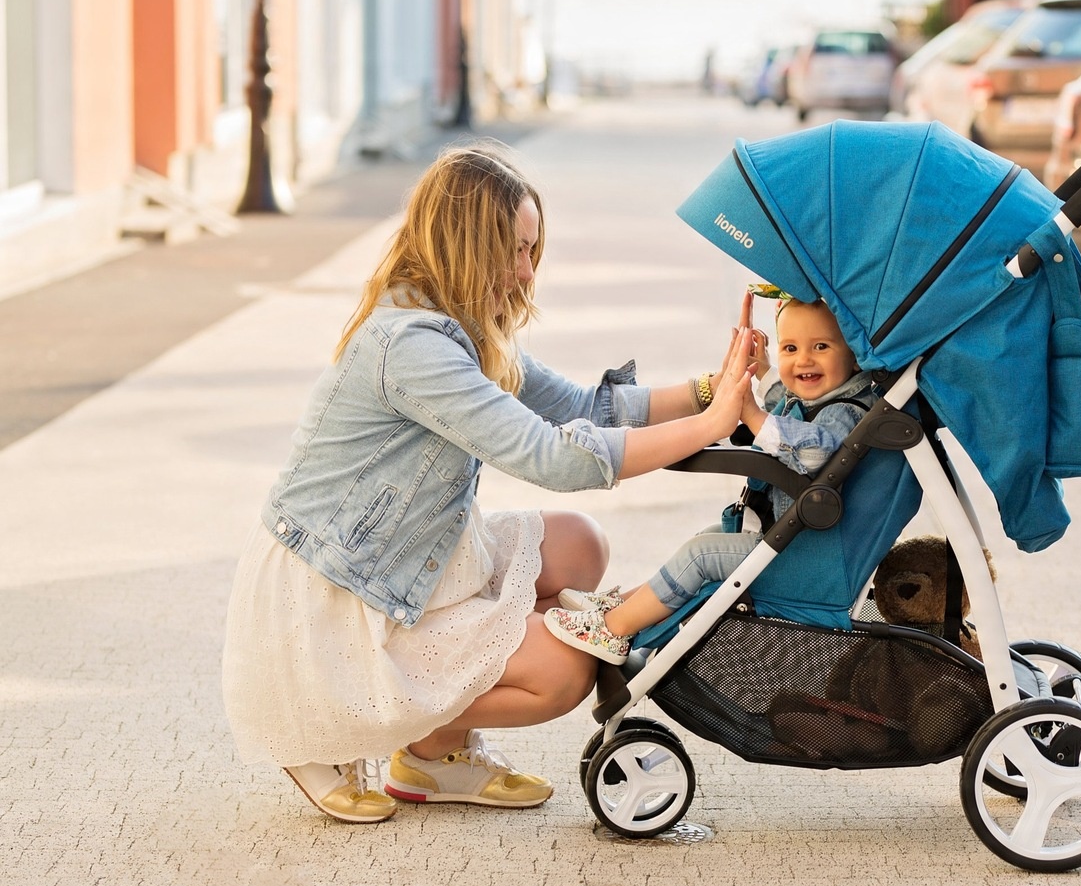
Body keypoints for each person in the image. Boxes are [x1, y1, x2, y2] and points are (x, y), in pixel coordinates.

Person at [220, 140, 758, 824]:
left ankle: (430, 757)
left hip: (412, 558)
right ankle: (338, 725)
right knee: (565, 672)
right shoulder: (411, 347)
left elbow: (579, 408)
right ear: (465, 245)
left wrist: (714, 386)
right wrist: (713, 422)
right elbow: (554, 458)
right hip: (344, 592)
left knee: (580, 547)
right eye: (515, 250)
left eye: (534, 250)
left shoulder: (463, 322)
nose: (528, 273)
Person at [542, 291, 878, 663]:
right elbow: (791, 407)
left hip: (804, 558)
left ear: (853, 354)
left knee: (700, 556)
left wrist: (751, 415)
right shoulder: (829, 397)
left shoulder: (845, 411)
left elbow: (813, 451)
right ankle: (621, 606)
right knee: (706, 539)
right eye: (790, 349)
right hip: (789, 540)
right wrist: (763, 369)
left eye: (820, 346)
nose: (804, 360)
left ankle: (613, 630)